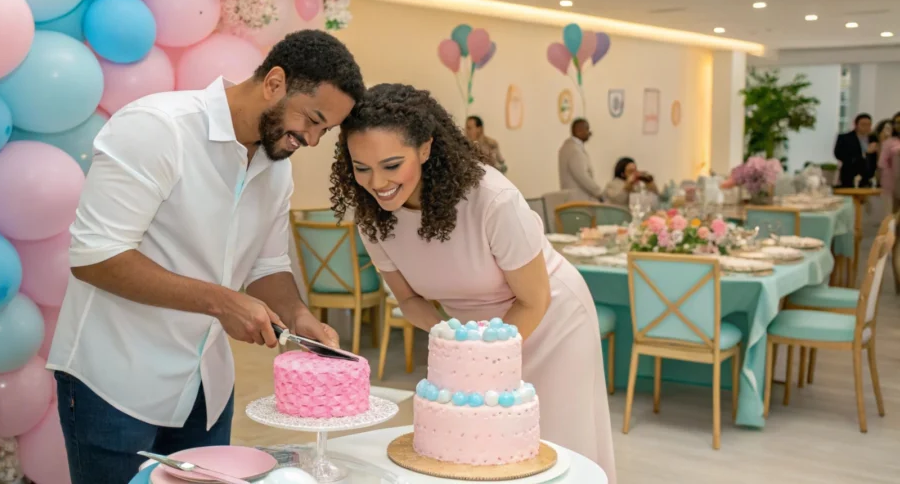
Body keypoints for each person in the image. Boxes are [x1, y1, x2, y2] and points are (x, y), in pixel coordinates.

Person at [47, 30, 365, 484]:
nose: (312, 140)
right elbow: (96, 256)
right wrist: (221, 302)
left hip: (206, 389)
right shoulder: (157, 128)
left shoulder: (276, 171)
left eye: (324, 129)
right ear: (275, 82)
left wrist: (299, 316)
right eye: (312, 119)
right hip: (114, 382)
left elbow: (266, 266)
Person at [329, 84, 617, 483]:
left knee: (554, 450)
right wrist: (452, 340)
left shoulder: (491, 199)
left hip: (551, 322)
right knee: (479, 453)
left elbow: (535, 298)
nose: (377, 182)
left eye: (392, 165)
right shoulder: (372, 219)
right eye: (362, 168)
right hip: (472, 340)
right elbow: (410, 299)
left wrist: (478, 358)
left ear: (425, 149)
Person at [558, 118, 604, 201]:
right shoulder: (574, 150)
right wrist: (599, 193)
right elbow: (582, 177)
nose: (590, 133)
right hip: (579, 200)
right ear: (579, 130)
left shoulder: (567, 148)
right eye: (587, 129)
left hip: (571, 200)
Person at [834, 113, 877, 187]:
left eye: (869, 125)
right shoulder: (845, 138)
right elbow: (839, 154)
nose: (866, 127)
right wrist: (864, 154)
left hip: (868, 175)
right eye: (863, 124)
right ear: (856, 125)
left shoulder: (873, 138)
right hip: (850, 173)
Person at [878, 116, 900, 212]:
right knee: (892, 213)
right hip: (892, 183)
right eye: (897, 123)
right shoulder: (889, 142)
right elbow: (882, 163)